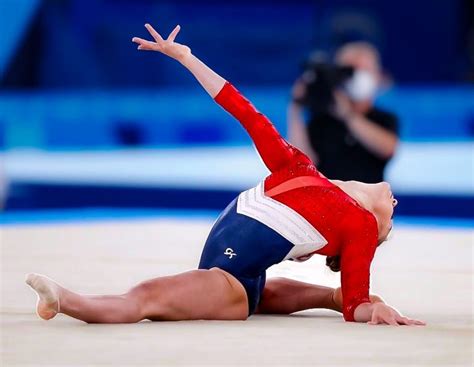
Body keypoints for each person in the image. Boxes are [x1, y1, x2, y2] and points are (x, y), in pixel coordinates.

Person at [25, 23, 424, 326]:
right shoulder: (299, 165)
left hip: (227, 283)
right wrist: (185, 58)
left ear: (373, 227)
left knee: (147, 297)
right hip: (245, 277)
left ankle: (64, 299)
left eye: (389, 220)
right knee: (261, 292)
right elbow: (243, 109)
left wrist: (375, 307)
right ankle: (327, 296)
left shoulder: (358, 226)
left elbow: (360, 303)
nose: (395, 203)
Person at [288, 42, 399, 183]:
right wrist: (295, 109)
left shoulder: (384, 118)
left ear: (377, 75)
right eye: (350, 71)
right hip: (330, 200)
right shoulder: (322, 121)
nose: (357, 77)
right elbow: (302, 163)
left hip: (368, 202)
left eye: (364, 70)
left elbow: (388, 149)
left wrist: (347, 115)